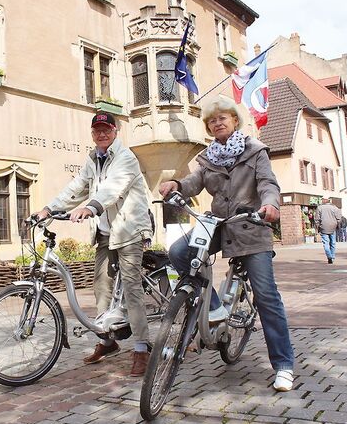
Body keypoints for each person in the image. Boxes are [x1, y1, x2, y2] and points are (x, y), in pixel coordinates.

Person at [158, 96, 295, 392]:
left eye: (222, 117)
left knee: (266, 296)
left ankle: (283, 365)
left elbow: (268, 183)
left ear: (234, 120)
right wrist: (177, 185)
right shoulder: (208, 157)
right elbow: (194, 182)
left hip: (252, 226)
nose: (217, 123)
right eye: (212, 120)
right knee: (179, 252)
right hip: (219, 224)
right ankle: (215, 308)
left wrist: (270, 204)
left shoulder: (255, 150)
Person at [33, 112, 153, 377]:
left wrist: (91, 207)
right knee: (101, 287)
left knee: (131, 288)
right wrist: (48, 209)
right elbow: (76, 187)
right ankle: (108, 342)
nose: (102, 134)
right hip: (105, 234)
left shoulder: (126, 157)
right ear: (92, 134)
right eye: (97, 130)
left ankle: (142, 349)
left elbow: (113, 189)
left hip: (129, 230)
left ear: (115, 131)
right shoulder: (93, 160)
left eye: (106, 129)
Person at [316, 198, 342, 264]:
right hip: (333, 227)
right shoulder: (335, 208)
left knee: (326, 243)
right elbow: (339, 218)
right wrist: (337, 225)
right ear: (329, 201)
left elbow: (317, 219)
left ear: (323, 201)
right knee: (333, 243)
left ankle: (329, 256)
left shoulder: (319, 208)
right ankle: (332, 257)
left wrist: (318, 227)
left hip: (323, 227)